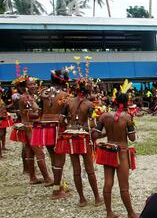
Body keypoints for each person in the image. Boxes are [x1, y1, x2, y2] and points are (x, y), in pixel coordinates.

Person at [93, 91, 139, 218]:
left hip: (108, 149)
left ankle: (109, 213)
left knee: (108, 182)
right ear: (126, 103)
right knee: (123, 186)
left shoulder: (104, 116)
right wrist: (131, 127)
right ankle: (131, 214)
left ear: (114, 101)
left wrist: (107, 133)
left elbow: (95, 135)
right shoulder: (127, 117)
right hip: (122, 151)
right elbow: (132, 138)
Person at [57, 79, 102, 207]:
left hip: (70, 135)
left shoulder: (68, 102)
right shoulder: (89, 104)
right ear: (87, 92)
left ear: (76, 91)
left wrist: (69, 125)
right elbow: (92, 123)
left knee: (76, 169)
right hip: (83, 136)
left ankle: (82, 199)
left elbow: (60, 120)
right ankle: (97, 198)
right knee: (89, 169)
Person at [39, 70, 71, 200]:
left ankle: (59, 186)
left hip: (45, 126)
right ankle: (56, 191)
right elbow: (67, 114)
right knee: (60, 159)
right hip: (58, 127)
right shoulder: (64, 95)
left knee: (53, 156)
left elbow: (40, 111)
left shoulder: (43, 93)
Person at [17, 76, 53, 186]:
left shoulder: (29, 97)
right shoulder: (26, 98)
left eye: (34, 84)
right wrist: (41, 112)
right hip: (30, 127)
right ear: (25, 86)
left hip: (28, 126)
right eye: (30, 84)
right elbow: (29, 115)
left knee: (29, 152)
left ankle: (32, 177)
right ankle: (47, 179)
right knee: (39, 153)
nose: (33, 86)